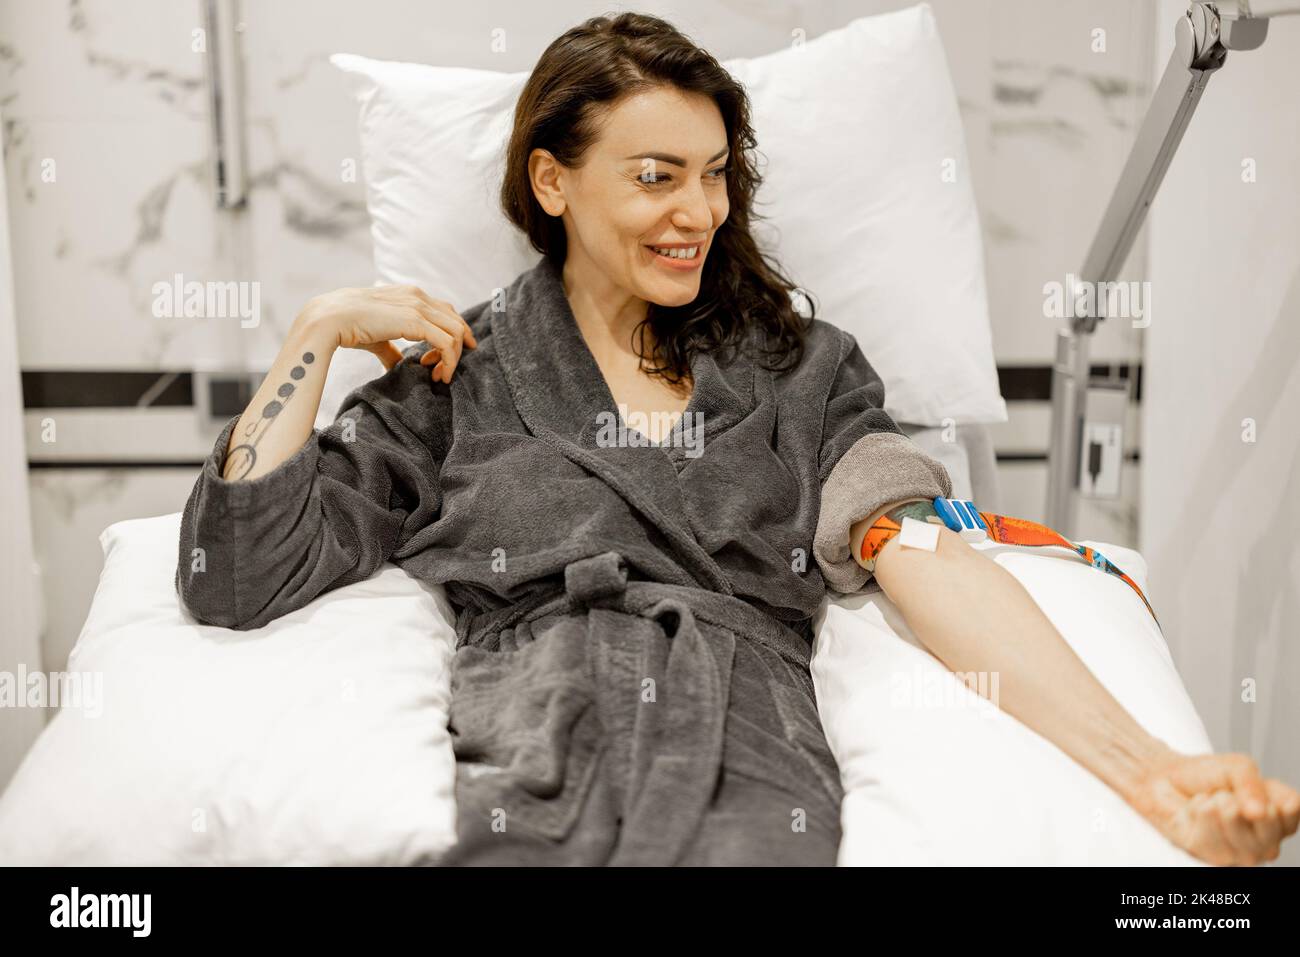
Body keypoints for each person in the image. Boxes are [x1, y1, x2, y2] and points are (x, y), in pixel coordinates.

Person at [176, 12, 1299, 866]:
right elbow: (238, 573)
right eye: (656, 177)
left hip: (752, 756)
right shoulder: (457, 375)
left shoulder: (803, 371)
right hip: (533, 748)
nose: (699, 212)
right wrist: (315, 336)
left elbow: (920, 556)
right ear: (552, 181)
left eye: (713, 176)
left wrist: (1153, 775)